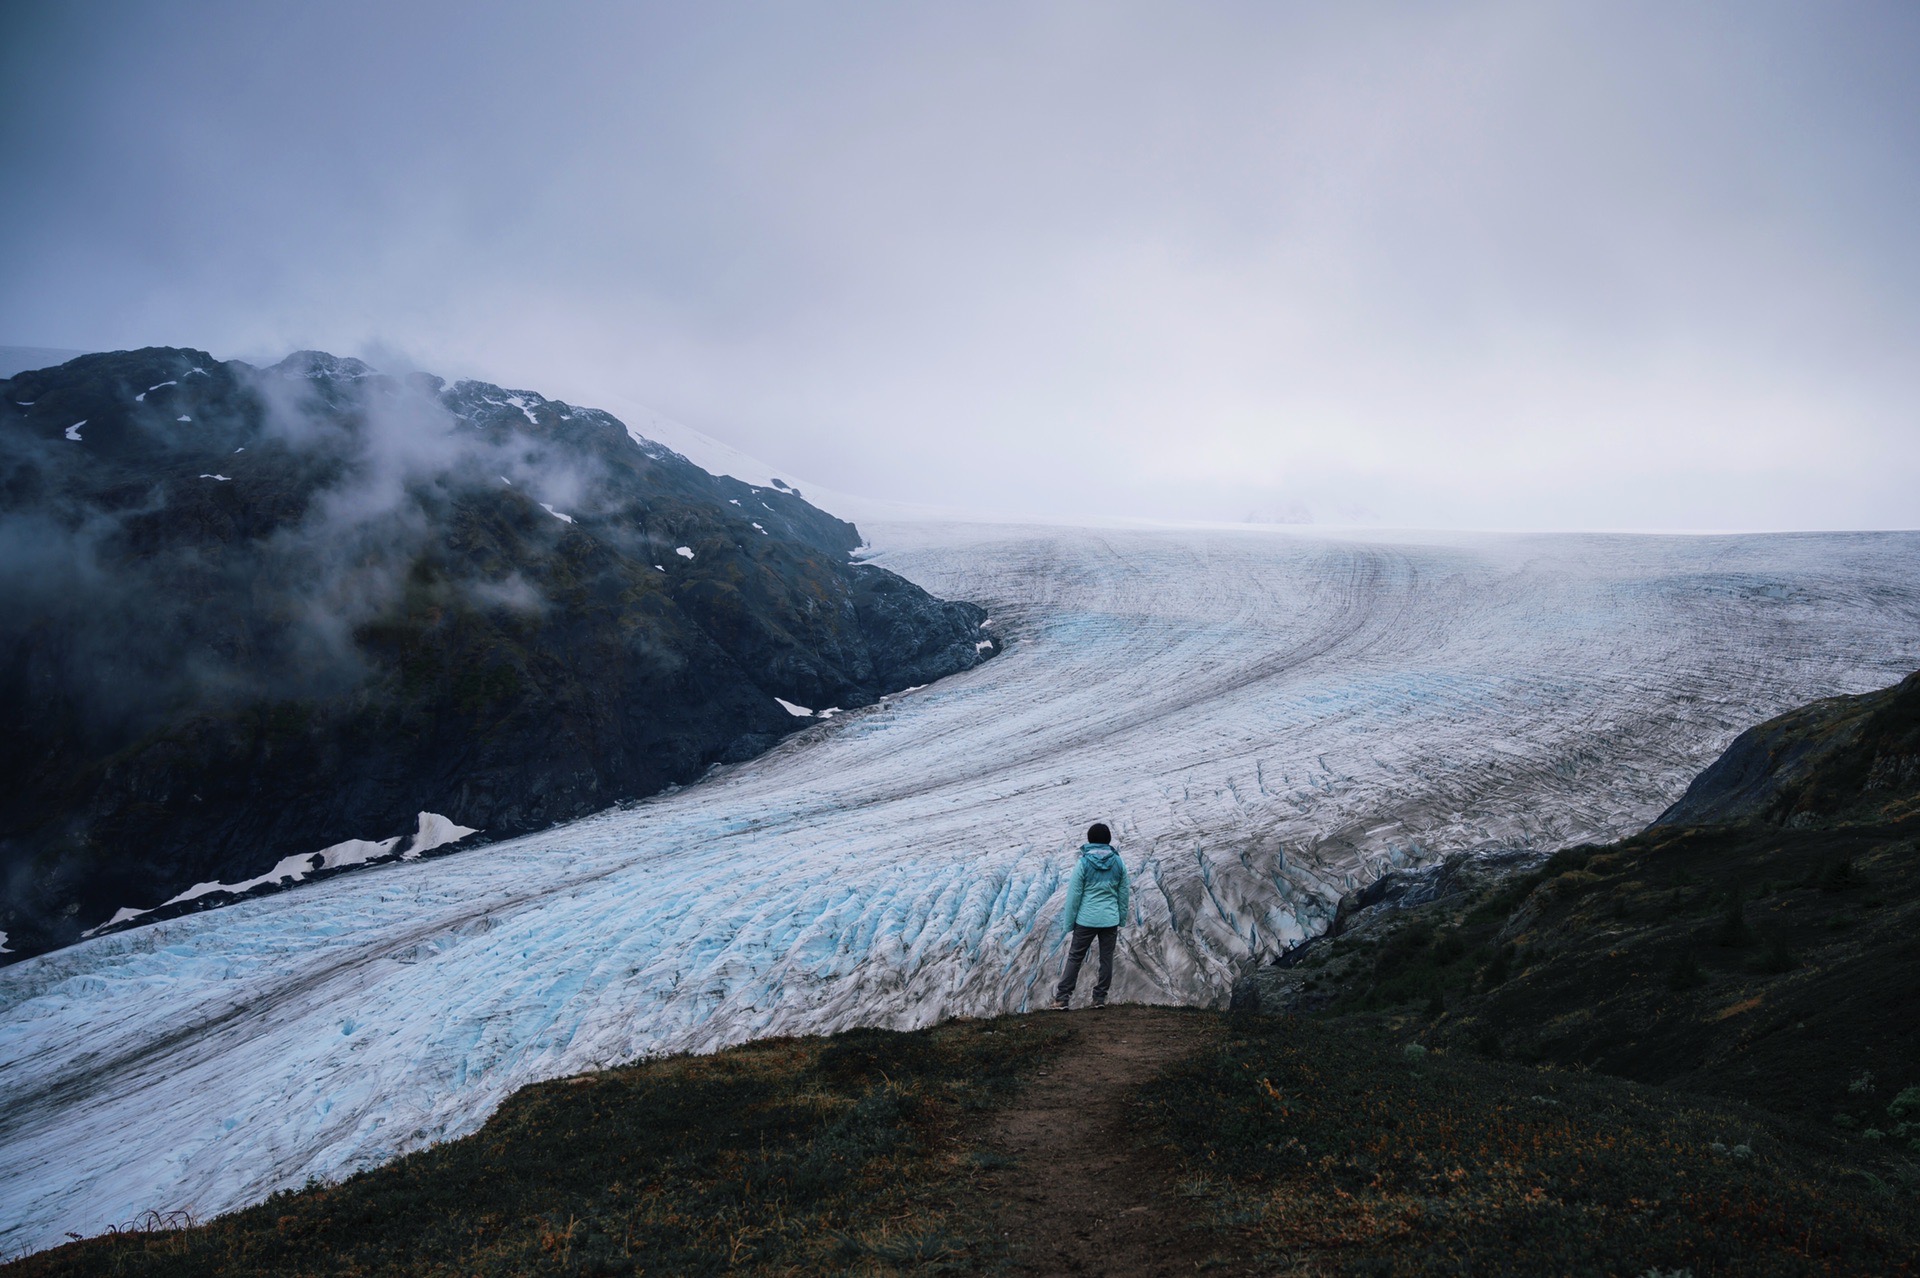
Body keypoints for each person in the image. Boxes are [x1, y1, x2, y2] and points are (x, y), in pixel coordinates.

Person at [1050, 822, 1129, 1010]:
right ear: (1108, 839)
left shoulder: (1083, 863)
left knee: (1075, 957)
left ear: (1090, 840)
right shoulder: (1118, 862)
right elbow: (1124, 893)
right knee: (1106, 958)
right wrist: (1121, 918)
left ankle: (1062, 999)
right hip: (1110, 919)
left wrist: (1069, 923)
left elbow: (1074, 896)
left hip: (1086, 919)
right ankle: (1099, 999)